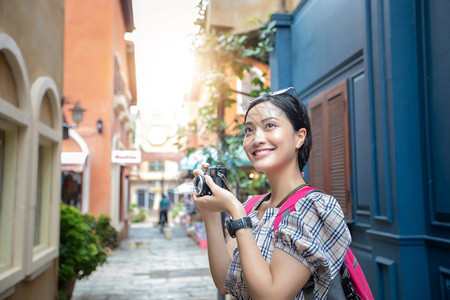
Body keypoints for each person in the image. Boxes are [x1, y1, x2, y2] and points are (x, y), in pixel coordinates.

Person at [192, 87, 352, 299]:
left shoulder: (315, 206)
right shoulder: (251, 206)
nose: (256, 138)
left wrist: (235, 211)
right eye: (249, 130)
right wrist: (210, 213)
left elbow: (271, 296)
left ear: (299, 137)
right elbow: (225, 283)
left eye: (270, 125)